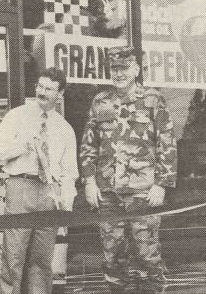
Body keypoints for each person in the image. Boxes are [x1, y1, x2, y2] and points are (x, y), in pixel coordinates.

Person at [79, 46, 177, 293]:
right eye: (114, 69)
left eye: (124, 68)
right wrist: (89, 181)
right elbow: (89, 145)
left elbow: (167, 142)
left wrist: (161, 184)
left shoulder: (153, 100)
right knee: (113, 258)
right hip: (108, 191)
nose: (119, 74)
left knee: (148, 254)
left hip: (142, 191)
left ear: (136, 69)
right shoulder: (101, 101)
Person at [0, 67, 78, 294]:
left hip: (50, 191)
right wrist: (24, 145)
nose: (42, 92)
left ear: (60, 94)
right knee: (14, 255)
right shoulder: (16, 116)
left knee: (42, 258)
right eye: (40, 86)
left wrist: (66, 200)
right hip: (21, 186)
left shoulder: (64, 128)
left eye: (49, 89)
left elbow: (69, 171)